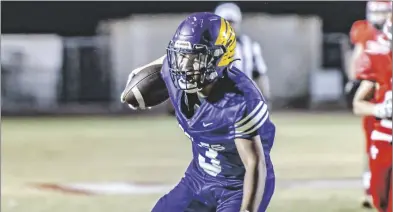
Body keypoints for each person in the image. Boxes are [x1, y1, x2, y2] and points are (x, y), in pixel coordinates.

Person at [121, 12, 275, 212]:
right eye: (182, 55)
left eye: (196, 58)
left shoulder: (239, 101)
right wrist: (136, 88)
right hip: (199, 178)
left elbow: (254, 163)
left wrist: (247, 210)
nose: (185, 66)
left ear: (219, 58)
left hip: (238, 185)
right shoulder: (173, 72)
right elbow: (139, 79)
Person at [346, 1, 391, 208]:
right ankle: (368, 185)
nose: (380, 16)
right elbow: (358, 59)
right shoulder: (368, 38)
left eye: (384, 11)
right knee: (372, 144)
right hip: (379, 109)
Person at [214, 2, 271, 103]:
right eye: (226, 22)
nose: (230, 26)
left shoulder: (249, 46)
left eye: (232, 22)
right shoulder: (208, 46)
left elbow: (260, 75)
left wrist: (265, 98)